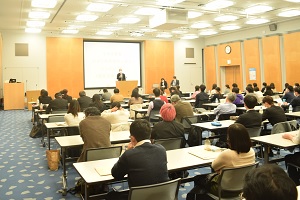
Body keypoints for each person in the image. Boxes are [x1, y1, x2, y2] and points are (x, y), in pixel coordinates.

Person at [187, 123, 255, 199]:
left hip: (223, 190)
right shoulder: (252, 151)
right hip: (243, 188)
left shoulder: (227, 154)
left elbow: (213, 166)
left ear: (230, 138)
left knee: (198, 179)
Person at [108, 119, 169, 200]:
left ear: (132, 138)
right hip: (162, 196)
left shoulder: (129, 155)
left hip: (139, 196)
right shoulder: (161, 149)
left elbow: (116, 174)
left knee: (111, 195)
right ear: (149, 135)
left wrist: (126, 151)